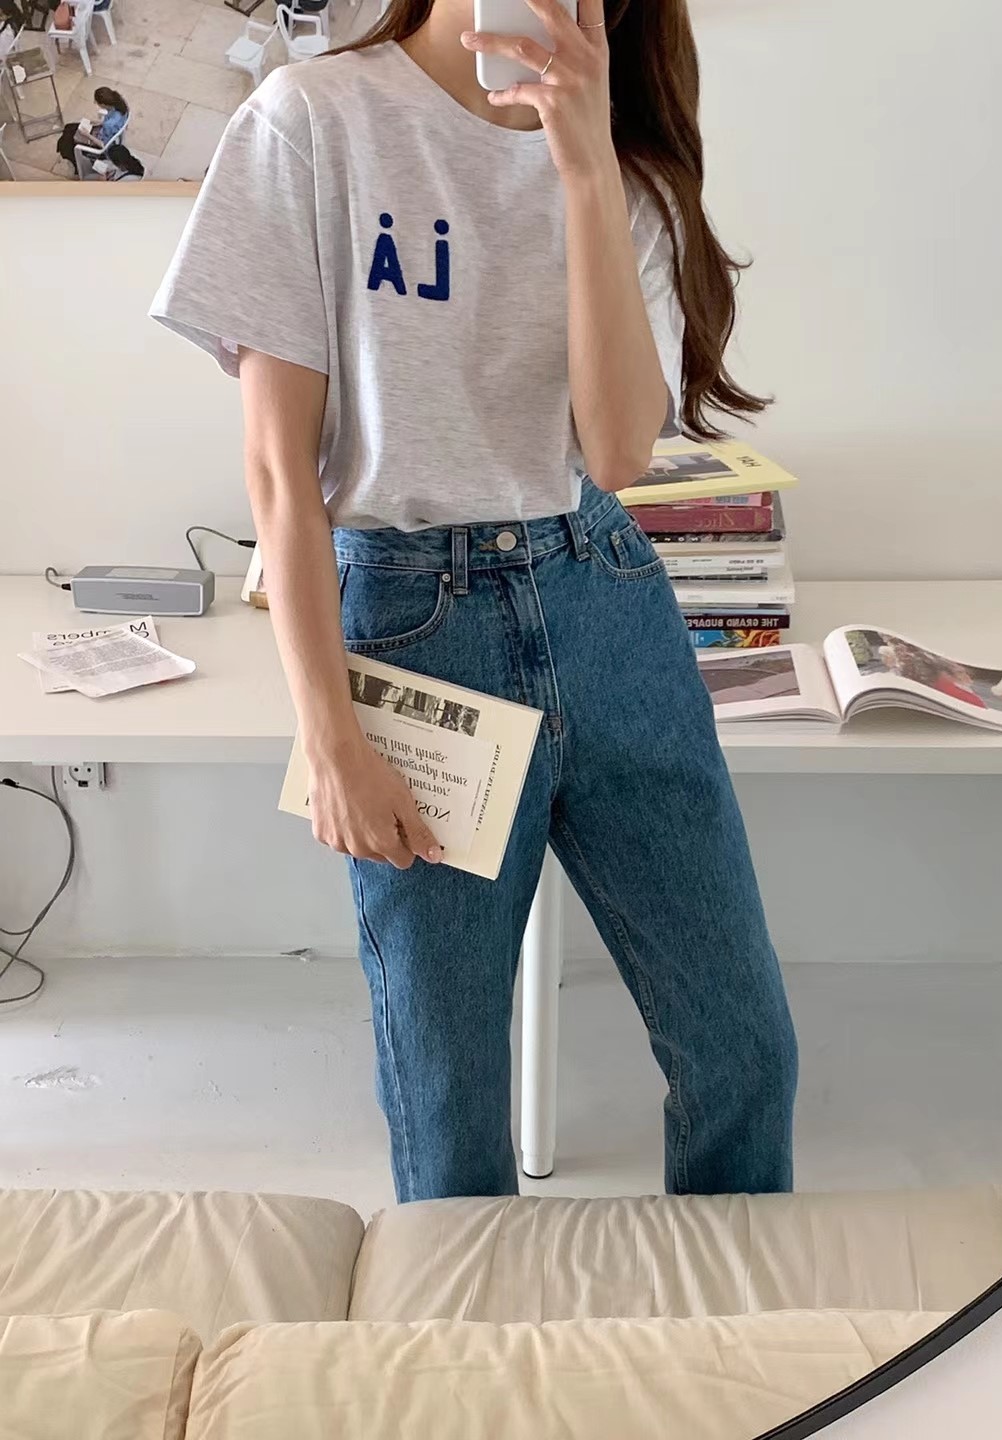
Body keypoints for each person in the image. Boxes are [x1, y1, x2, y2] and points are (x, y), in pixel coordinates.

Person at [151, 0, 797, 1204]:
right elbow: (279, 473)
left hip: (602, 595)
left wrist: (586, 167)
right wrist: (331, 740)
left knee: (744, 1049)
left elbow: (618, 453)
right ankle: (463, 1317)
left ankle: (737, 1311)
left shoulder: (622, 159)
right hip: (414, 621)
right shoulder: (313, 120)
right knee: (447, 1091)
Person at [56, 86, 129, 173]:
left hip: (101, 141)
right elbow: (112, 120)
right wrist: (100, 123)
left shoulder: (109, 125)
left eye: (97, 102)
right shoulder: (119, 105)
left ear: (103, 104)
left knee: (66, 144)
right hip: (106, 131)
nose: (95, 103)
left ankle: (77, 166)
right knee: (69, 127)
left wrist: (87, 135)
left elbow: (103, 145)